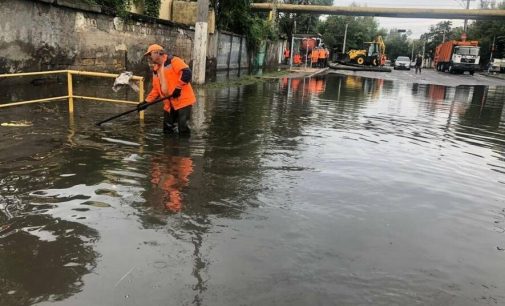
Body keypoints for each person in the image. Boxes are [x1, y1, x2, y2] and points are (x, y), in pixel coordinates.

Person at [138, 44, 196, 136]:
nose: (149, 57)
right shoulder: (156, 69)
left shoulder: (174, 61)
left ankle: (183, 148)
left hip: (183, 101)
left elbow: (187, 73)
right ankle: (169, 148)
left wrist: (178, 88)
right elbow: (156, 90)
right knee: (167, 129)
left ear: (157, 53)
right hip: (169, 103)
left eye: (150, 54)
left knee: (183, 128)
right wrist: (146, 102)